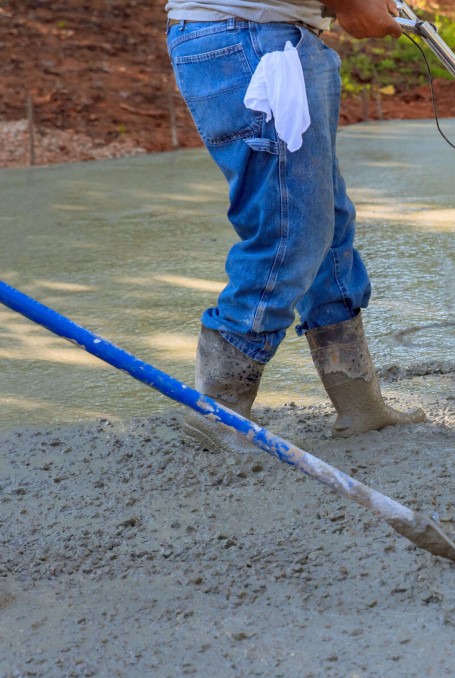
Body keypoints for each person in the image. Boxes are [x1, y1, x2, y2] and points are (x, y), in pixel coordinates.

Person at [164, 0, 423, 451]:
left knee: (327, 218)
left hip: (279, 34)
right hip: (245, 37)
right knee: (291, 227)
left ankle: (360, 404)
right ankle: (218, 413)